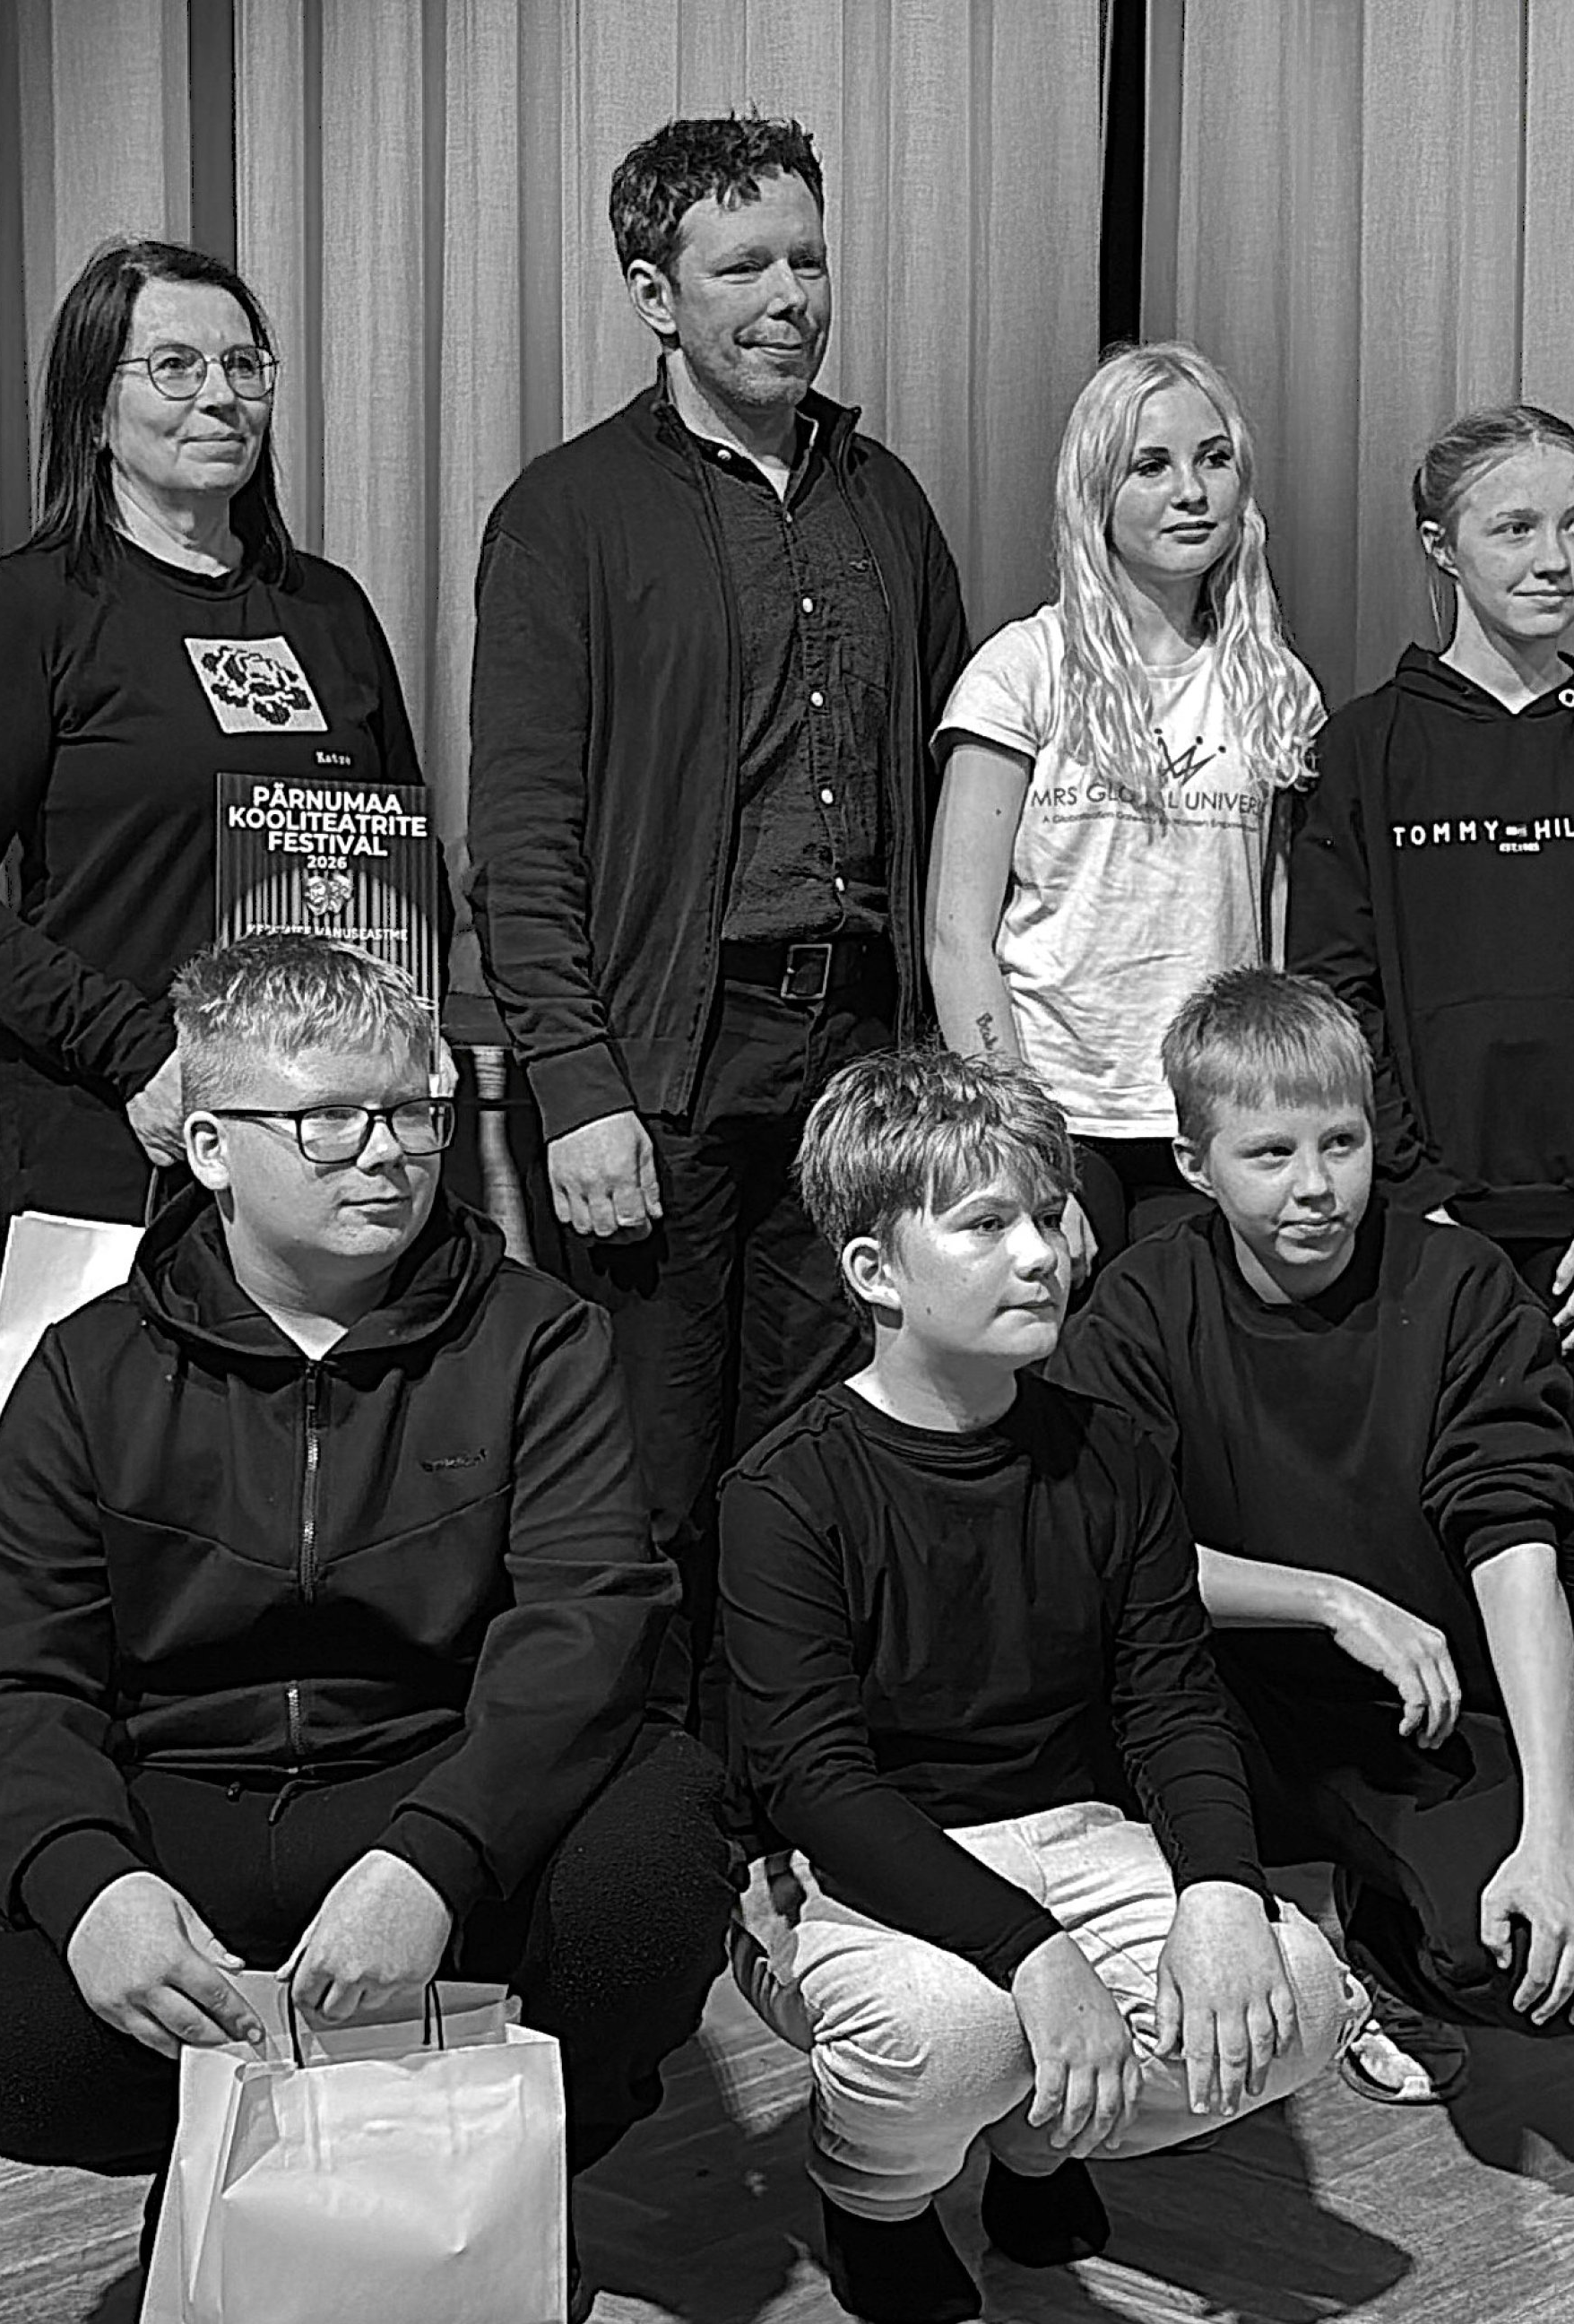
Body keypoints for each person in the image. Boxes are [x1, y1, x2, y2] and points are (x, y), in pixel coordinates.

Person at [0, 934, 734, 2316]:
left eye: (414, 1111)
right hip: (187, 1796)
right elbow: (7, 1676)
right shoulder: (87, 1369)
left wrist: (434, 1862)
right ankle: (227, 2155)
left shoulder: (540, 1340)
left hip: (437, 1779)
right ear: (211, 1147)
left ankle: (504, 2177)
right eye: (330, 1120)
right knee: (3, 2033)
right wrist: (91, 1887)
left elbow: (590, 1627)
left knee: (652, 1864)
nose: (387, 1153)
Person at [470, 115, 973, 1721]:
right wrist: (578, 1087)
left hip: (856, 1057)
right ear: (653, 293)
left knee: (822, 1464)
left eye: (807, 260)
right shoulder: (565, 514)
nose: (788, 297)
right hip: (664, 1068)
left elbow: (950, 795)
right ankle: (652, 1812)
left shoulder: (885, 503)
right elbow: (521, 841)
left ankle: (796, 1789)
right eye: (743, 265)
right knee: (650, 1477)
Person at [718, 1047, 1345, 2324]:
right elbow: (814, 1783)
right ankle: (875, 2199)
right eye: (986, 1225)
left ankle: (1037, 2143)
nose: (1042, 1255)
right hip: (866, 1863)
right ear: (874, 1271)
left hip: (1078, 1830)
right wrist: (1037, 1955)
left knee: (1300, 1999)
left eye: (1050, 1218)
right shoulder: (787, 1492)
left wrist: (1223, 1890)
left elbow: (1171, 1701)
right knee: (956, 2033)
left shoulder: (1115, 1456)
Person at [1049, 968, 1574, 2109]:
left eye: (1342, 1144)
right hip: (1206, 1706)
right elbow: (1107, 1554)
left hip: (1414, 1713)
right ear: (1194, 1163)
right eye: (1270, 1154)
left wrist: (1562, 1829)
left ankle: (1383, 1938)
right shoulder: (1144, 1301)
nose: (1315, 1187)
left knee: (1545, 1973)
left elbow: (1517, 1551)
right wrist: (1332, 1600)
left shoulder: (1460, 1287)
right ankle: (1261, 1932)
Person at [1287, 401, 1574, 1859]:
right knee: (1432, 1539)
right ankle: (1432, 1868)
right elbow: (1335, 998)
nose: (1554, 558)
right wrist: (1416, 1199)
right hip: (1431, 1233)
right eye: (1515, 526)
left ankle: (1565, 1848)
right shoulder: (1365, 753)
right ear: (1440, 547)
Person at [0, 239, 427, 1233]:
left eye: (243, 366)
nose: (220, 397)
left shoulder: (328, 610)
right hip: (124, 1127)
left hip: (326, 1150)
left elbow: (401, 873)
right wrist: (138, 1055)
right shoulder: (30, 610)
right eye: (174, 366)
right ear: (93, 412)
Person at [926, 342, 1322, 1274]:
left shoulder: (1276, 686)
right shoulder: (1023, 670)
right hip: (1062, 1114)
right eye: (1152, 465)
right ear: (1096, 490)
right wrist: (1025, 1146)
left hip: (1217, 1113)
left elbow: (1280, 933)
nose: (1191, 492)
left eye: (1213, 459)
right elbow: (956, 936)